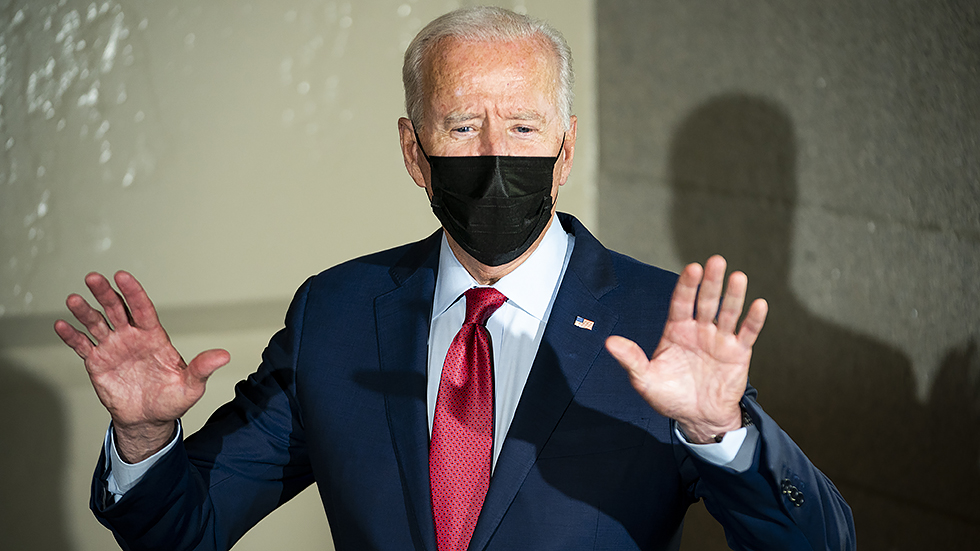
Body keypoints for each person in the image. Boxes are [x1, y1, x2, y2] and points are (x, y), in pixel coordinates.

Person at [54, 7, 854, 551]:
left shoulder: (659, 323)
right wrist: (146, 437)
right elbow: (182, 530)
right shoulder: (335, 313)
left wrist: (723, 438)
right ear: (414, 151)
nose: (495, 154)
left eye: (524, 126)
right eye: (464, 127)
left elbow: (821, 542)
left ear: (565, 150)